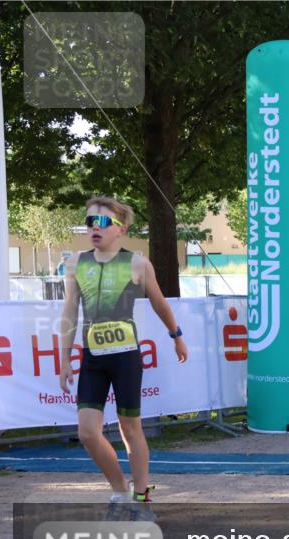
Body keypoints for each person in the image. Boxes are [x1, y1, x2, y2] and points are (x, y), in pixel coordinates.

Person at [59, 196, 188, 520]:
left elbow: (159, 302)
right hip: (93, 358)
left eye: (102, 222)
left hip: (127, 356)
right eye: (89, 221)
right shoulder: (76, 264)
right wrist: (63, 359)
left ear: (121, 228)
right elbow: (70, 311)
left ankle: (142, 498)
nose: (94, 228)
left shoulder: (137, 263)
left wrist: (176, 336)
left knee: (131, 428)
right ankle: (120, 490)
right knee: (88, 432)